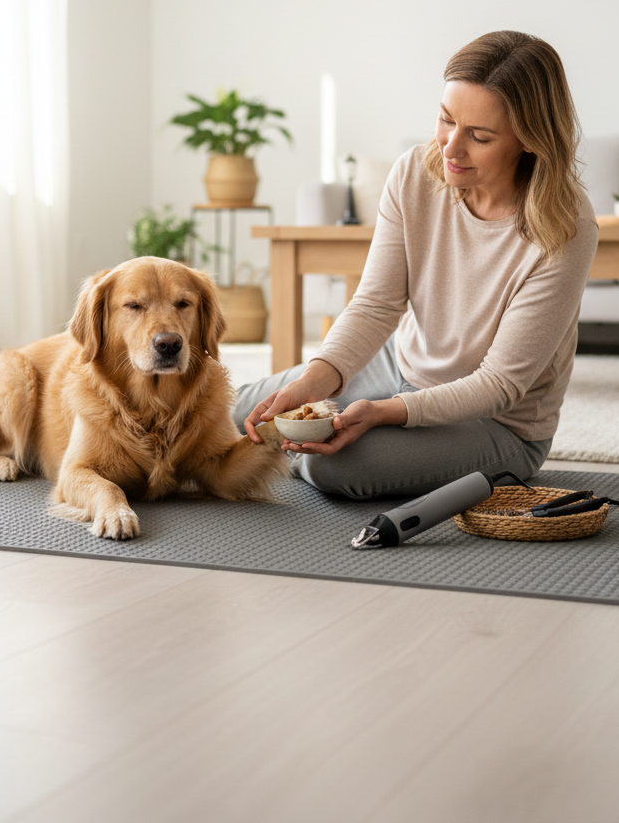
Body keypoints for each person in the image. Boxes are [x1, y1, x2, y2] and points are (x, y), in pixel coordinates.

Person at [235, 30, 599, 500]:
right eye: (446, 120)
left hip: (496, 423)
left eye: (480, 136)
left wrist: (387, 413)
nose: (450, 147)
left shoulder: (566, 225)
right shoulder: (414, 173)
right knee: (235, 409)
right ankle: (286, 445)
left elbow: (501, 384)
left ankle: (291, 453)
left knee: (337, 468)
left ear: (528, 140)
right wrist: (312, 382)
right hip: (395, 365)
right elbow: (375, 305)